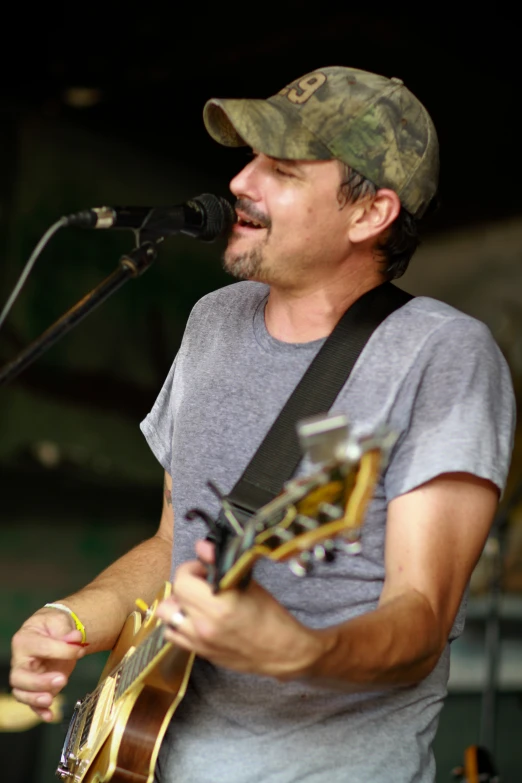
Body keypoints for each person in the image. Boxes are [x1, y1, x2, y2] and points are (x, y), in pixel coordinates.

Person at [10, 66, 515, 783]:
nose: (241, 181)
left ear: (369, 213)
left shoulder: (442, 353)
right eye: (249, 158)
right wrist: (74, 617)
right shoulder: (213, 320)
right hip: (145, 759)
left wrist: (297, 648)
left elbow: (421, 616)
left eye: (280, 168)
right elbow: (172, 543)